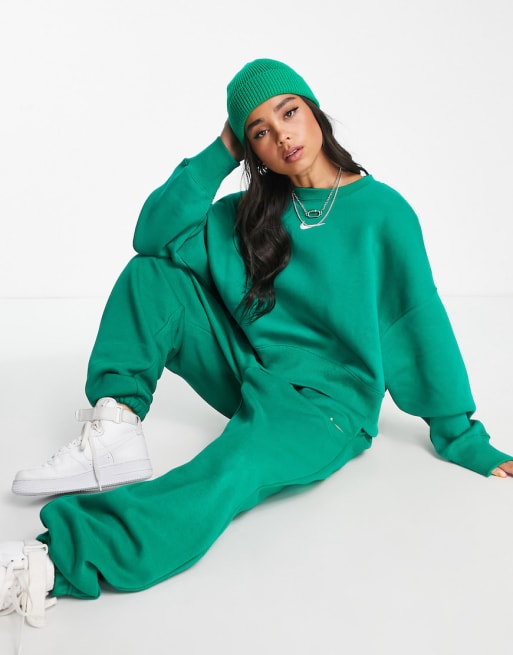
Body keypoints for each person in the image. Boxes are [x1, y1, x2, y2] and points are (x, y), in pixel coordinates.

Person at [2, 58, 513, 631]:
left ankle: (54, 563)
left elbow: (417, 323)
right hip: (249, 368)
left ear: (314, 111)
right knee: (151, 274)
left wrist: (461, 436)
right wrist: (223, 149)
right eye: (260, 132)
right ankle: (115, 426)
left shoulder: (384, 214)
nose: (282, 136)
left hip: (323, 407)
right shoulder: (250, 213)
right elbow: (152, 237)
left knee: (231, 469)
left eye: (288, 113)